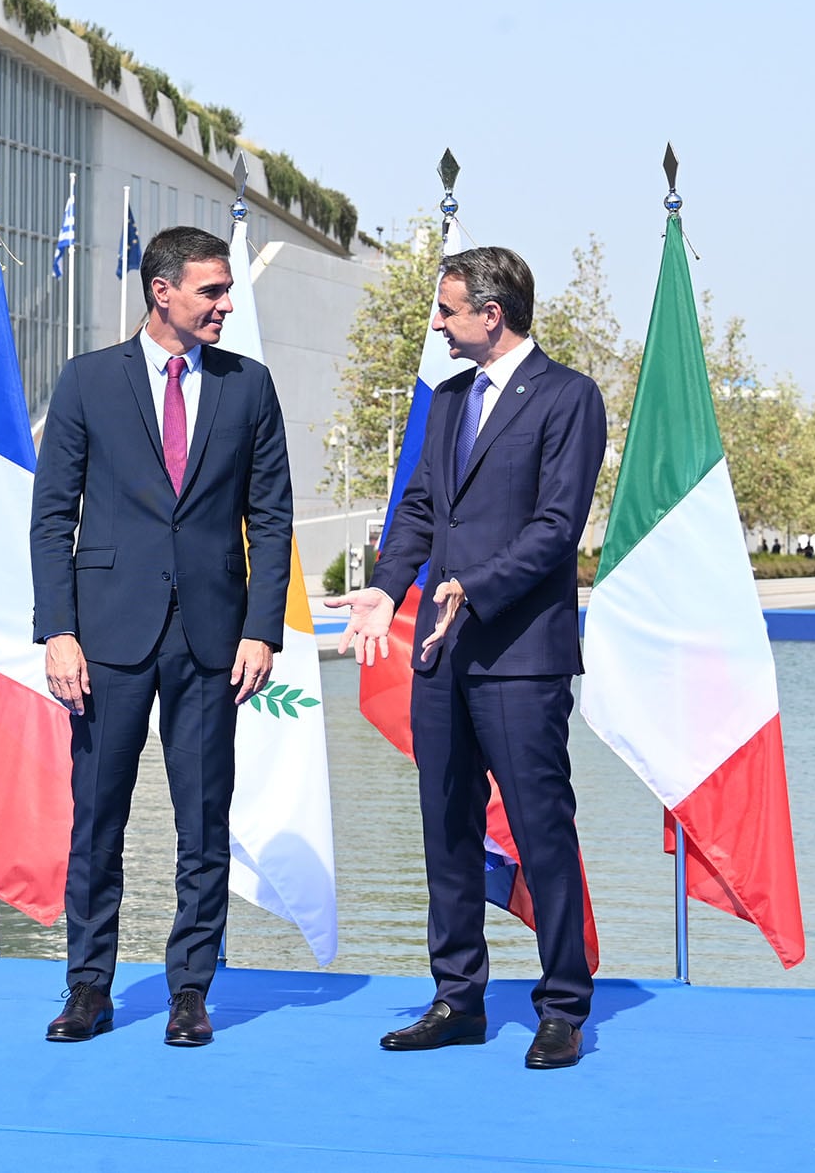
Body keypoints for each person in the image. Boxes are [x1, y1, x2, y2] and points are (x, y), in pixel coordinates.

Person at [330, 245, 605, 1071]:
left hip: (521, 656)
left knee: (539, 830)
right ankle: (458, 997)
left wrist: (471, 588)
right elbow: (418, 508)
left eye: (448, 311)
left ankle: (563, 1005)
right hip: (440, 658)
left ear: (493, 314)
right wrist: (387, 588)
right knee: (446, 829)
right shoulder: (447, 401)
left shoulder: (568, 397)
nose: (438, 325)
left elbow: (558, 528)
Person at [29, 225, 294, 1048]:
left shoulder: (249, 386)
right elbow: (51, 518)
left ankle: (189, 992)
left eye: (227, 291)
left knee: (203, 822)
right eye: (212, 291)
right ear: (163, 292)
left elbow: (273, 520)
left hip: (214, 641)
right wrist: (58, 632)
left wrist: (263, 631)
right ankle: (88, 989)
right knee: (96, 820)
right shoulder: (86, 381)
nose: (225, 304)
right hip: (106, 639)